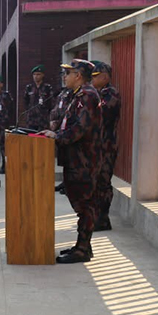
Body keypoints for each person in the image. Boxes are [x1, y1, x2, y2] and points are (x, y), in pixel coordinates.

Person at [39, 59, 102, 263]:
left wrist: (57, 137)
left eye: (68, 73)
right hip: (74, 158)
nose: (64, 77)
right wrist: (54, 132)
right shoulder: (75, 96)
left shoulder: (88, 96)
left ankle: (83, 249)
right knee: (81, 204)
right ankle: (82, 246)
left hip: (84, 160)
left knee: (85, 204)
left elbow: (80, 128)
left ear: (78, 76)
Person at [91, 61, 122, 232]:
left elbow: (98, 114)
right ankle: (97, 217)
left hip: (107, 145)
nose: (92, 80)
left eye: (95, 77)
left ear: (105, 77)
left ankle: (103, 218)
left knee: (103, 182)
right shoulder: (97, 93)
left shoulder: (111, 94)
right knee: (96, 182)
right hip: (97, 145)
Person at [23, 65, 56, 130]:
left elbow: (52, 103)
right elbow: (25, 101)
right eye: (34, 74)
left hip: (43, 119)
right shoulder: (29, 87)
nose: (36, 76)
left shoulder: (47, 88)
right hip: (31, 120)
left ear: (42, 75)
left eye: (38, 74)